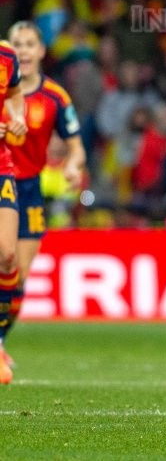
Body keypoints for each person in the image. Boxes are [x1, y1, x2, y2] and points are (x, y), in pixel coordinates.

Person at [3, 22, 85, 373]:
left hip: (30, 189)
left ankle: (2, 341)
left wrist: (73, 167)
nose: (22, 49)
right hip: (3, 177)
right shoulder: (4, 79)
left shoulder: (55, 97)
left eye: (29, 44)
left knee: (16, 275)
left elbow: (77, 149)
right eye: (17, 42)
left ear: (40, 51)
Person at [0, 38, 27, 384]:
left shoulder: (7, 55)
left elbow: (16, 95)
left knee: (7, 254)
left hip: (2, 165)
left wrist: (17, 118)